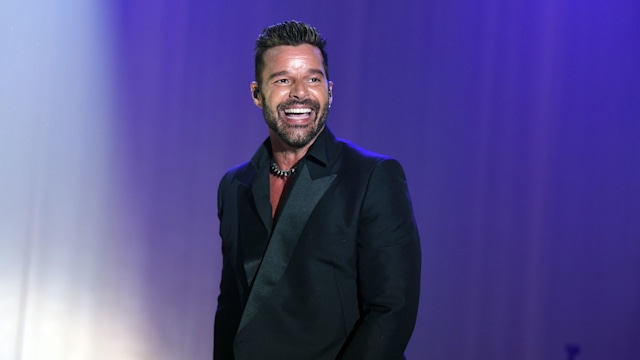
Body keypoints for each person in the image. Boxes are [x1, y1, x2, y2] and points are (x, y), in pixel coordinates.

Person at [214, 20, 421, 360]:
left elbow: (391, 310)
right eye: (283, 80)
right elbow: (231, 310)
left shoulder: (371, 177)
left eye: (313, 78)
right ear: (256, 94)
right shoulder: (235, 186)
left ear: (330, 90)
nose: (300, 92)